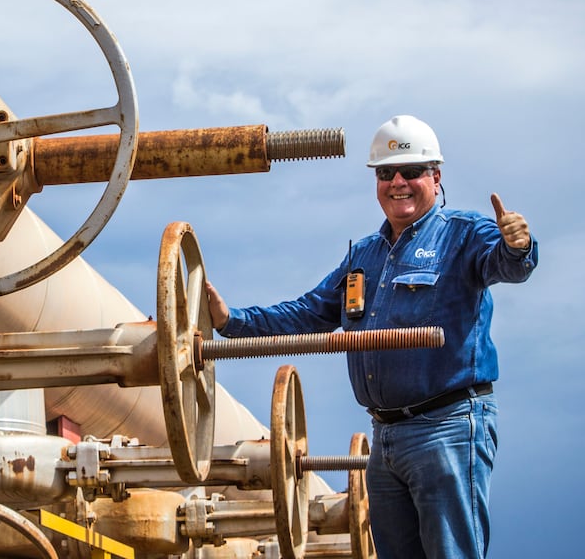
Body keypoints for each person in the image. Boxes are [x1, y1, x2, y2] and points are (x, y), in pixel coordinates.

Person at [205, 115, 537, 559]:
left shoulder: (464, 233)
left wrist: (519, 247)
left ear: (435, 177)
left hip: (448, 426)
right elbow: (310, 312)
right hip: (386, 437)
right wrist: (232, 321)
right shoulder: (364, 255)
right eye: (386, 173)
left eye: (412, 171)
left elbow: (507, 265)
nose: (398, 182)